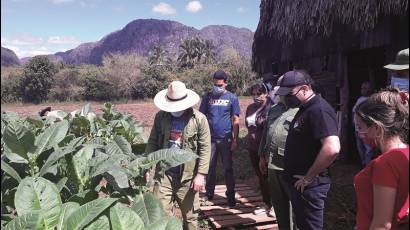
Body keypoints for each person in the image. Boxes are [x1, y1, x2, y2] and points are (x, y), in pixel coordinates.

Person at [276, 70, 341, 230]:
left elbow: (332, 147)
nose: (285, 98)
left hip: (310, 187)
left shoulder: (319, 110)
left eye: (289, 94)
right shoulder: (305, 108)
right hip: (300, 185)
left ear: (305, 89)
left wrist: (308, 177)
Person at [145, 80, 211, 230]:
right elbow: (153, 142)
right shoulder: (161, 117)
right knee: (160, 217)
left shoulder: (199, 119)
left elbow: (205, 148)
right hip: (164, 175)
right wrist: (147, 166)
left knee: (191, 218)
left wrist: (201, 175)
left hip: (188, 176)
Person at [354, 87, 409, 230]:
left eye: (360, 127)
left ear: (377, 128)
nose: (359, 133)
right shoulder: (406, 153)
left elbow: (382, 225)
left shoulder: (384, 164)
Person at [259, 75, 299, 229]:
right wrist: (262, 155)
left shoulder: (302, 110)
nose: (280, 95)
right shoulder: (275, 109)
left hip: (291, 166)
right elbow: (266, 133)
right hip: (272, 164)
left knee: (296, 207)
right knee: (279, 203)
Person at [199, 70, 241, 207]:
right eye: (216, 84)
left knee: (228, 168)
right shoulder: (207, 97)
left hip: (226, 138)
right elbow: (201, 116)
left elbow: (235, 119)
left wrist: (235, 140)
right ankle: (209, 193)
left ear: (226, 84)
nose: (218, 87)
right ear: (213, 82)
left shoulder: (232, 98)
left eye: (220, 85)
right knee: (209, 167)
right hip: (209, 139)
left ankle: (231, 195)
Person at [245, 83, 271, 214]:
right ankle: (266, 204)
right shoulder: (250, 108)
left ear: (266, 93)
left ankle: (275, 206)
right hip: (252, 148)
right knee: (261, 177)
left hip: (265, 150)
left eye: (259, 94)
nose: (256, 97)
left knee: (269, 177)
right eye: (253, 94)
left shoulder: (270, 108)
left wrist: (264, 153)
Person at [352, 81, 375, 167]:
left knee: (369, 149)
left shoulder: (373, 100)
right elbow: (354, 112)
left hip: (367, 130)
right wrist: (353, 123)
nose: (362, 90)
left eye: (365, 88)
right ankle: (364, 164)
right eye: (362, 88)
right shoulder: (360, 99)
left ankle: (367, 166)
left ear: (370, 89)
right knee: (360, 148)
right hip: (357, 129)